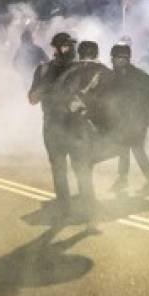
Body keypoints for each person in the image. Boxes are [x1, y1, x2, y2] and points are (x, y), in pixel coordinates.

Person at [28, 32, 95, 220]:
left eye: (72, 46)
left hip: (76, 126)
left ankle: (87, 206)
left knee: (81, 166)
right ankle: (64, 206)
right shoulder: (43, 70)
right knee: (58, 168)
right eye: (66, 46)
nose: (70, 50)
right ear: (56, 49)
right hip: (52, 126)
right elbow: (32, 99)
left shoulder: (81, 69)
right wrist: (47, 86)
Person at [108, 43, 149, 196]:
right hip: (126, 121)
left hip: (136, 121)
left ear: (123, 59)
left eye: (115, 58)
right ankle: (122, 178)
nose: (112, 61)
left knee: (137, 150)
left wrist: (146, 115)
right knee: (123, 149)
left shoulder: (134, 76)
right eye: (113, 58)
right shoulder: (122, 74)